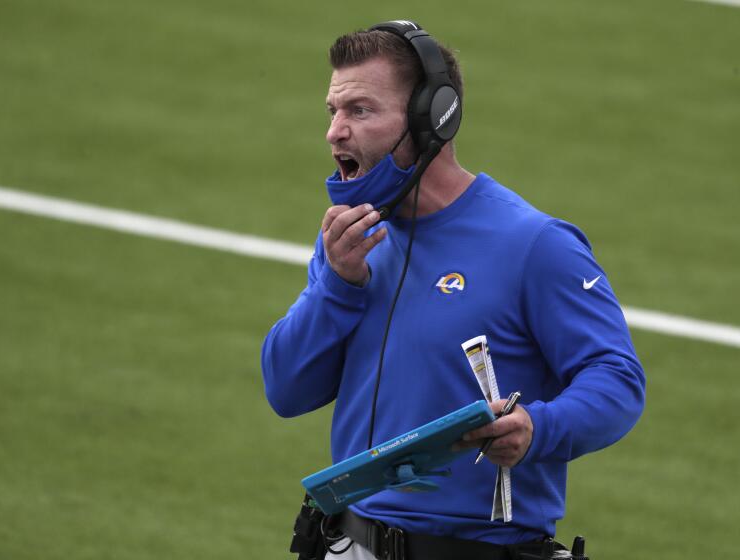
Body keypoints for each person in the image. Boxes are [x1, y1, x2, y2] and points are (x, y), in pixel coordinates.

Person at [261, 21, 646, 560]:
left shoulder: (534, 245)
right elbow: (286, 389)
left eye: (360, 111)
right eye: (333, 112)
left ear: (430, 118)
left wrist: (540, 427)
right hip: (346, 545)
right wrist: (336, 286)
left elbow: (618, 379)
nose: (335, 132)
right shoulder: (349, 242)